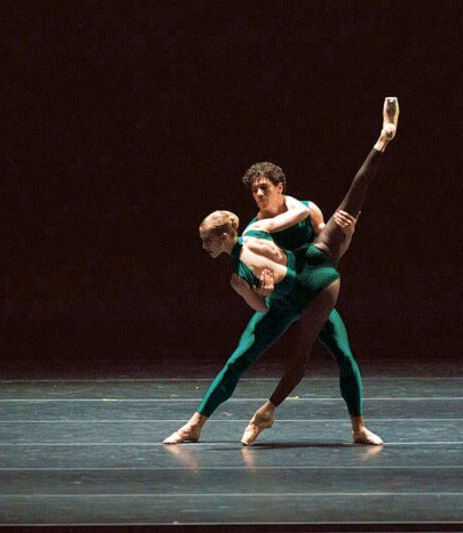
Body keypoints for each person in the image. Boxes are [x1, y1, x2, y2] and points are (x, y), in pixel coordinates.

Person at [163, 97, 399, 446]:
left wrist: (345, 234)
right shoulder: (257, 226)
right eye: (253, 189)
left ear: (279, 187)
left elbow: (325, 254)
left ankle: (358, 427)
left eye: (264, 188)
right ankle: (195, 423)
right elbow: (259, 295)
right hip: (281, 300)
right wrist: (265, 290)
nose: (257, 194)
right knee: (239, 358)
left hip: (311, 286)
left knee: (344, 356)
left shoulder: (300, 211)